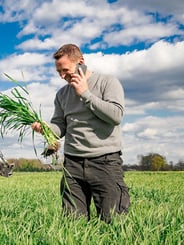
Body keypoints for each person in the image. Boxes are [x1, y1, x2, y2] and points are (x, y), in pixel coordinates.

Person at [32, 44, 130, 223]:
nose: (62, 76)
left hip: (105, 162)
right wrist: (46, 129)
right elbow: (60, 127)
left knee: (113, 222)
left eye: (65, 70)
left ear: (81, 62)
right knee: (72, 224)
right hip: (73, 164)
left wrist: (85, 94)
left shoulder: (107, 82)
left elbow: (116, 116)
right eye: (58, 72)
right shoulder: (62, 94)